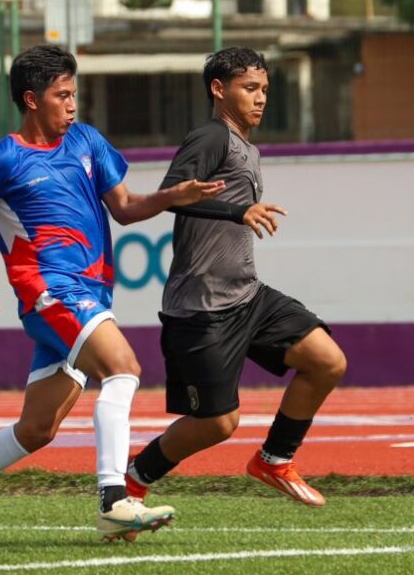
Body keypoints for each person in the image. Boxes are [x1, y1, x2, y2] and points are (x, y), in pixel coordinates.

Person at [0, 44, 225, 552]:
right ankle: (114, 500)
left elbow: (127, 208)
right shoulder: (4, 159)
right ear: (31, 99)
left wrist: (172, 198)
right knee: (123, 367)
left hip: (89, 293)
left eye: (75, 94)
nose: (72, 105)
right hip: (50, 291)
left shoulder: (88, 142)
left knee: (37, 428)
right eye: (62, 95)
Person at [125, 47, 347, 508]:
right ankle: (133, 479)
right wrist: (238, 210)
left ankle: (275, 459)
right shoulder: (210, 136)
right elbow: (176, 196)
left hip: (248, 296)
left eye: (265, 89)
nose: (261, 98)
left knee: (327, 360)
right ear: (218, 89)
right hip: (201, 308)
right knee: (218, 424)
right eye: (250, 88)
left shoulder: (248, 146)